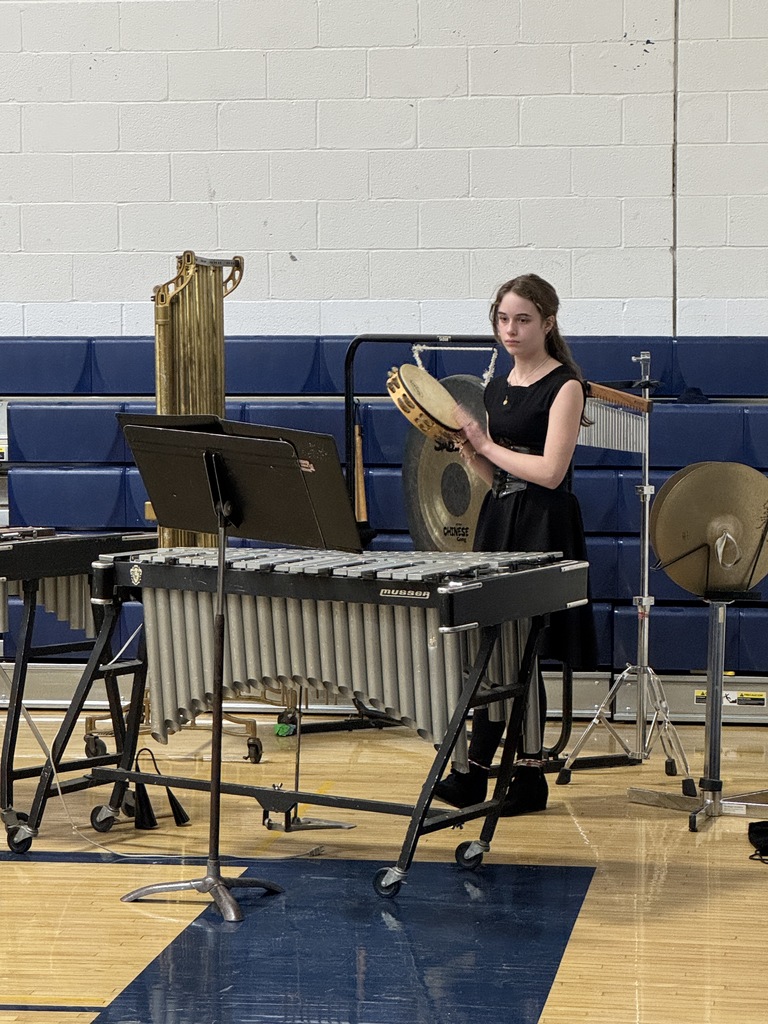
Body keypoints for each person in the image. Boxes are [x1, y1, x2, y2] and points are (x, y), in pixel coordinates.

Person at [433, 273, 597, 816]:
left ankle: (527, 779)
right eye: (503, 319)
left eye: (522, 319)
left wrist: (484, 442)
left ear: (548, 322)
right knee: (493, 651)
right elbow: (494, 470)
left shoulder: (567, 385)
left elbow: (550, 471)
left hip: (543, 524)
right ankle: (476, 775)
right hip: (500, 516)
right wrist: (469, 452)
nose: (510, 329)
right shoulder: (498, 385)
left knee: (521, 651)